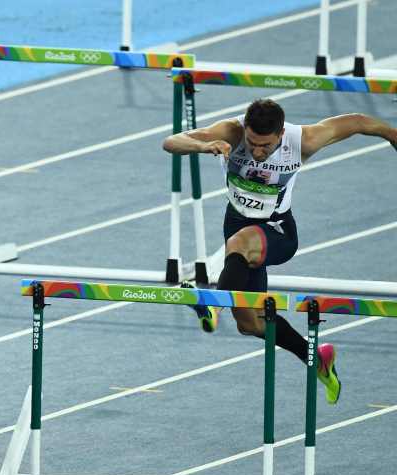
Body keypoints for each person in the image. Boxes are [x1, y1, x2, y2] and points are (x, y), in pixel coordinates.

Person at [163, 98, 397, 405]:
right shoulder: (230, 132)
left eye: (266, 146)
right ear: (244, 129)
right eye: (252, 143)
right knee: (251, 323)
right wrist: (202, 146)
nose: (257, 152)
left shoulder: (304, 140)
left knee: (239, 244)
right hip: (237, 230)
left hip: (278, 233)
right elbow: (171, 142)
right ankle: (317, 360)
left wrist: (391, 135)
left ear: (281, 133)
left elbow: (357, 122)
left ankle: (211, 305)